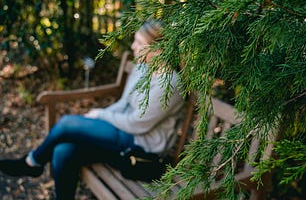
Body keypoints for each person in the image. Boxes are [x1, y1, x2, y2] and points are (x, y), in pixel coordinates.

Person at [0, 20, 184, 199]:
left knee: (66, 123)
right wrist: (100, 120)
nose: (133, 47)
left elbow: (138, 124)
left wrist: (101, 115)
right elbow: (123, 104)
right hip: (123, 134)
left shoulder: (170, 84)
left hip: (141, 148)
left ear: (158, 49)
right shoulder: (143, 67)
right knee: (63, 150)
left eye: (139, 43)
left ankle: (32, 162)